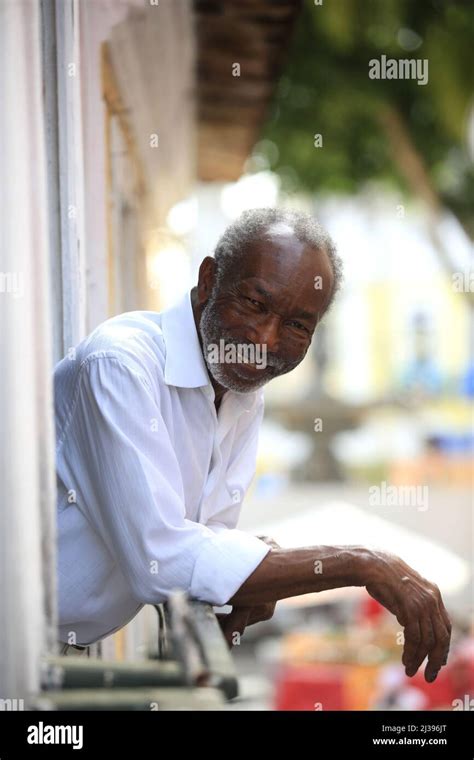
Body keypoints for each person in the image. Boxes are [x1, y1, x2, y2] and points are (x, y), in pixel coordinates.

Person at [55, 208, 450, 681]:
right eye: (255, 305)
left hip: (63, 650)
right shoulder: (120, 365)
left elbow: (206, 538)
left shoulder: (241, 389)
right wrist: (360, 564)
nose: (264, 341)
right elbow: (160, 559)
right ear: (208, 280)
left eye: (298, 326)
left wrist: (261, 564)